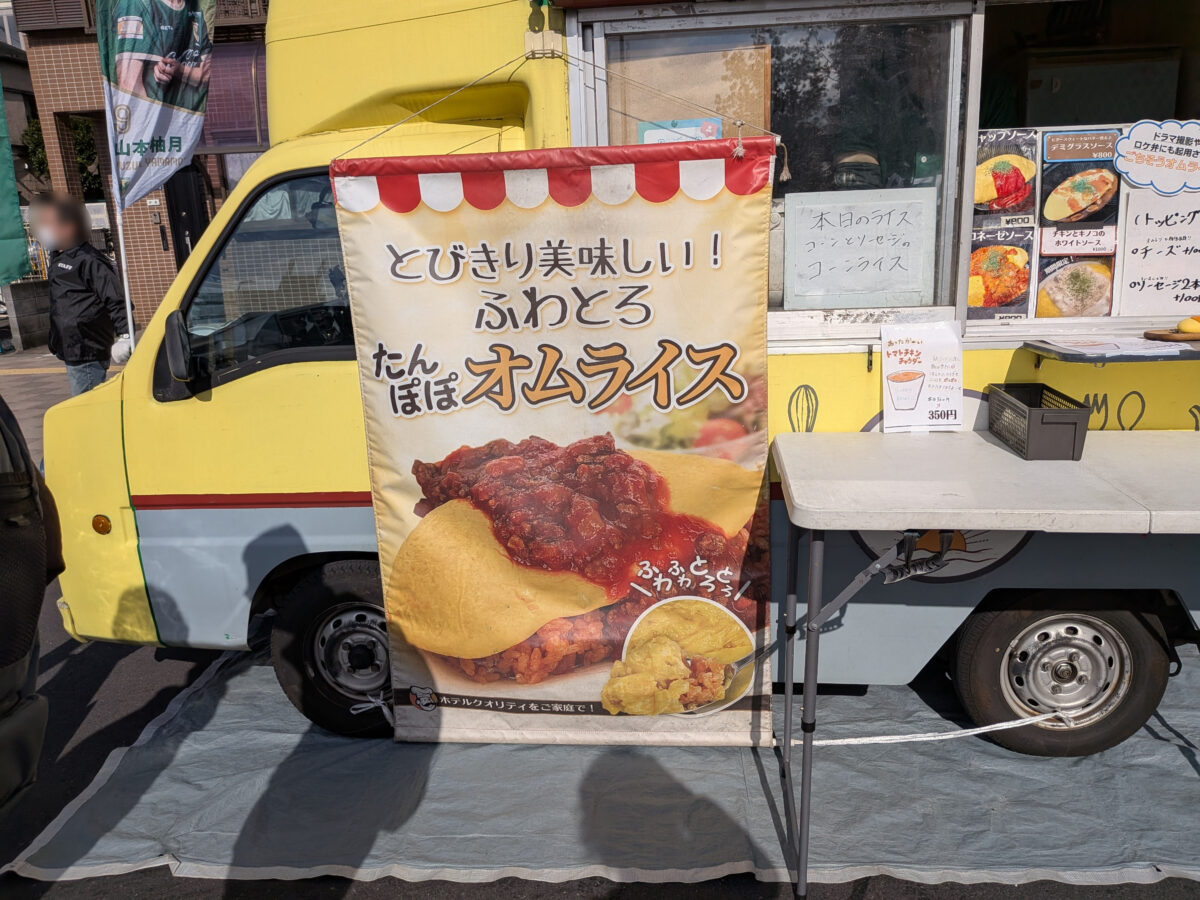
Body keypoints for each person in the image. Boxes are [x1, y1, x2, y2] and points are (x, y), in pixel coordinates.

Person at [30, 194, 132, 396]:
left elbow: (116, 298)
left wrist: (125, 335)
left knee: (87, 402)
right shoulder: (61, 258)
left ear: (69, 227)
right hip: (73, 348)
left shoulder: (88, 260)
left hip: (86, 348)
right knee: (85, 401)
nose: (41, 231)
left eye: (48, 225)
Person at [114, 0, 212, 112]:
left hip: (189, 121)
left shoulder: (194, 9)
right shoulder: (135, 5)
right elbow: (130, 86)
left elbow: (208, 74)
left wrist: (180, 70)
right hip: (156, 120)